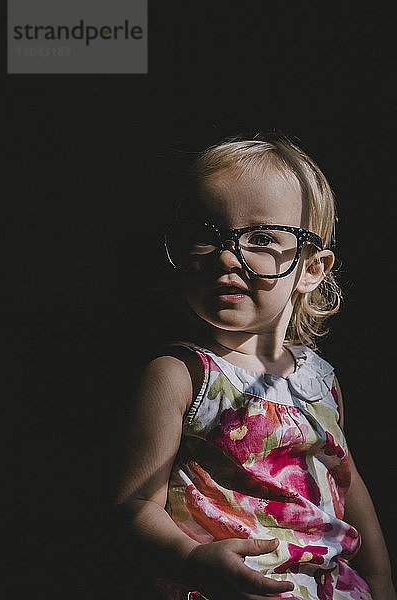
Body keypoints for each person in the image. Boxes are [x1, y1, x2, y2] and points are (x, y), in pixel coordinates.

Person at [114, 136, 396, 599]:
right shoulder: (180, 374)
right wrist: (190, 560)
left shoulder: (319, 380)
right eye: (207, 234)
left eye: (261, 238)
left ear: (311, 268)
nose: (226, 256)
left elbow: (347, 484)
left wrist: (381, 581)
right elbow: (132, 504)